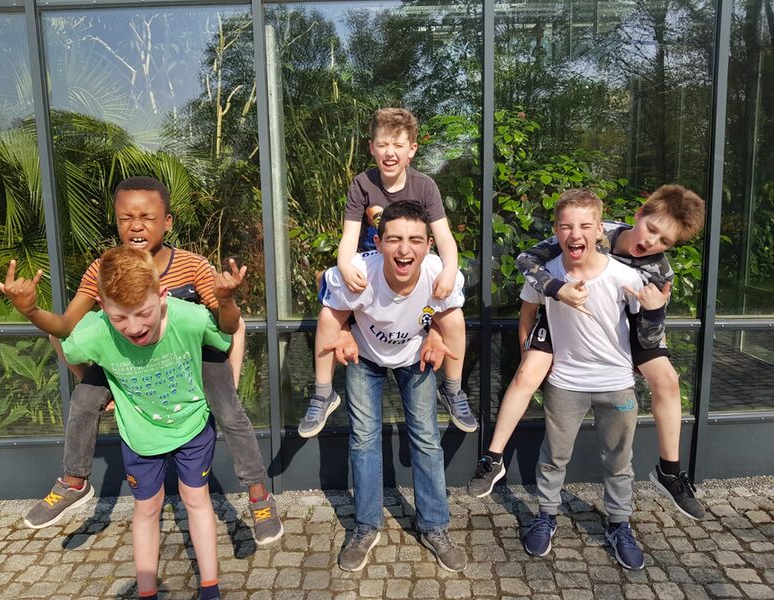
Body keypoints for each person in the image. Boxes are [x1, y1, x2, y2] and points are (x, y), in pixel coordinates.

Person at [0, 176, 283, 543]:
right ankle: (75, 480)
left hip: (188, 354)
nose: (136, 225)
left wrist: (225, 301)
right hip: (127, 354)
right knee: (83, 399)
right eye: (126, 218)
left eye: (147, 217)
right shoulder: (105, 269)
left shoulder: (192, 266)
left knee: (229, 410)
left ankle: (258, 494)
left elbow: (228, 327)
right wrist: (32, 311)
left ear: (168, 222)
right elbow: (64, 328)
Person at [468, 184, 706, 520]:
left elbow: (650, 338)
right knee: (527, 374)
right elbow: (526, 260)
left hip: (627, 326)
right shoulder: (594, 230)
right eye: (651, 229)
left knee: (667, 380)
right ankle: (493, 458)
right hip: (565, 312)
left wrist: (654, 313)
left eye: (664, 241)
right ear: (639, 214)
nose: (652, 242)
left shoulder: (658, 271)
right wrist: (557, 290)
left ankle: (669, 470)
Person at [298, 107, 476, 437]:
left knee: (452, 315)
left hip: (411, 266)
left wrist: (450, 269)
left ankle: (453, 388)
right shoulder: (362, 183)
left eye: (397, 145)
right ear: (371, 148)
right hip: (372, 263)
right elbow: (349, 237)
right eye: (382, 145)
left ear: (412, 150)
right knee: (329, 305)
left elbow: (444, 238)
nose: (389, 152)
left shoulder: (425, 186)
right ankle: (323, 393)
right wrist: (344, 265)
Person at [59, 246, 225, 599]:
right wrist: (98, 388)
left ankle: (210, 588)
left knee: (197, 499)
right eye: (120, 318)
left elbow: (226, 336)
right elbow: (65, 345)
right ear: (102, 308)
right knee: (146, 508)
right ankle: (147, 592)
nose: (134, 327)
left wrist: (231, 388)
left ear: (163, 296)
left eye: (143, 313)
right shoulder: (95, 331)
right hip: (139, 434)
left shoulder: (191, 318)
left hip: (192, 427)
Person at [517, 189, 666, 570]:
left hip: (617, 383)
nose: (575, 233)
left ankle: (619, 524)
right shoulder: (545, 274)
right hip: (565, 382)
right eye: (566, 226)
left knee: (619, 460)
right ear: (556, 230)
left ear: (600, 230)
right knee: (554, 456)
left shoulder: (625, 275)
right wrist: (527, 353)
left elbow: (647, 339)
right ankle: (546, 515)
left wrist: (656, 313)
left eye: (585, 225)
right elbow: (528, 313)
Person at [321, 200, 468, 573]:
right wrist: (343, 331)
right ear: (378, 242)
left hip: (416, 356)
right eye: (395, 239)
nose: (405, 249)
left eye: (416, 240)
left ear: (429, 245)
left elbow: (446, 317)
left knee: (427, 439)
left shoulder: (439, 274)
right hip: (365, 357)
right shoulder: (358, 271)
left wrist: (435, 333)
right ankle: (366, 526)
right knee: (363, 441)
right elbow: (333, 309)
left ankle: (434, 526)